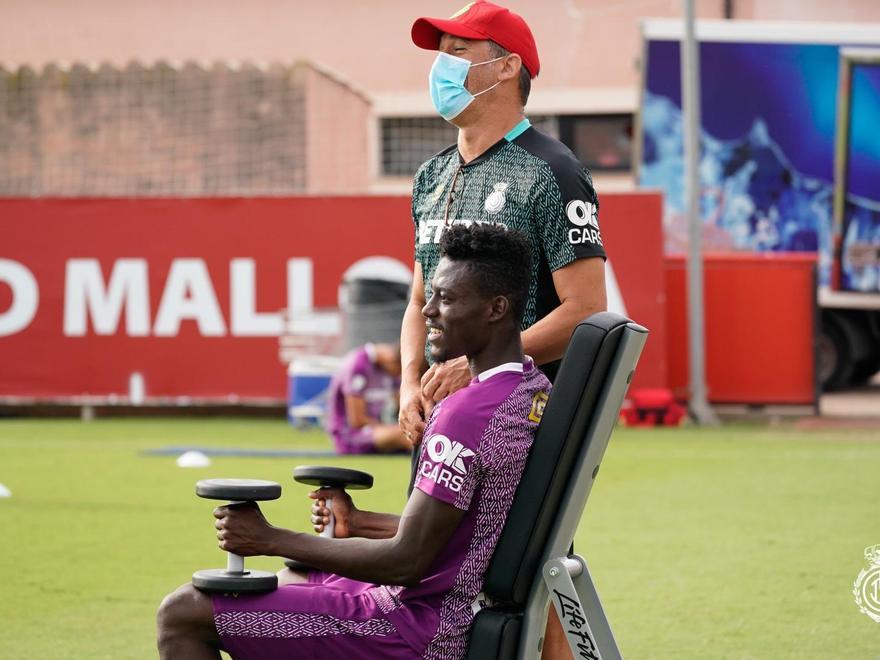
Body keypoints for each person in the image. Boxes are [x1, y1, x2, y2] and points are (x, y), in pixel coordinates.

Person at [156, 224, 551, 660]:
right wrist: (357, 522)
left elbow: (406, 561)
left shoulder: (465, 414)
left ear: (496, 309)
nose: (428, 311)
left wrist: (267, 537)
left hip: (418, 628)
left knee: (183, 613)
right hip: (456, 608)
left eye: (447, 298)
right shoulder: (531, 389)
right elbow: (472, 530)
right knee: (300, 577)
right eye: (432, 295)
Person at [399, 0, 607, 446]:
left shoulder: (552, 170)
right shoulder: (430, 176)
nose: (441, 66)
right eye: (441, 53)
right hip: (439, 414)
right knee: (417, 521)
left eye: (458, 51)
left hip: (515, 422)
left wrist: (480, 365)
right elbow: (419, 300)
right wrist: (408, 383)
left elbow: (586, 309)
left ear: (506, 67)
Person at [326, 342, 410, 454]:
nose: (398, 377)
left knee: (413, 431)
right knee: (406, 435)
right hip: (349, 436)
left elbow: (402, 405)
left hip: (376, 430)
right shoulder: (358, 365)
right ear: (392, 363)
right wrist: (389, 429)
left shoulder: (389, 369)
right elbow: (357, 421)